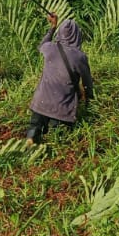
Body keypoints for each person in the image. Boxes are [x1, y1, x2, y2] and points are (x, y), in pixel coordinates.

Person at [28, 12, 94, 144]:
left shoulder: (49, 48)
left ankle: (30, 139)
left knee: (34, 130)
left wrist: (52, 27)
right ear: (77, 36)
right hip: (62, 109)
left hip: (40, 103)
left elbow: (42, 44)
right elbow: (87, 84)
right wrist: (89, 104)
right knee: (57, 142)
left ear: (60, 33)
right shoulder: (80, 57)